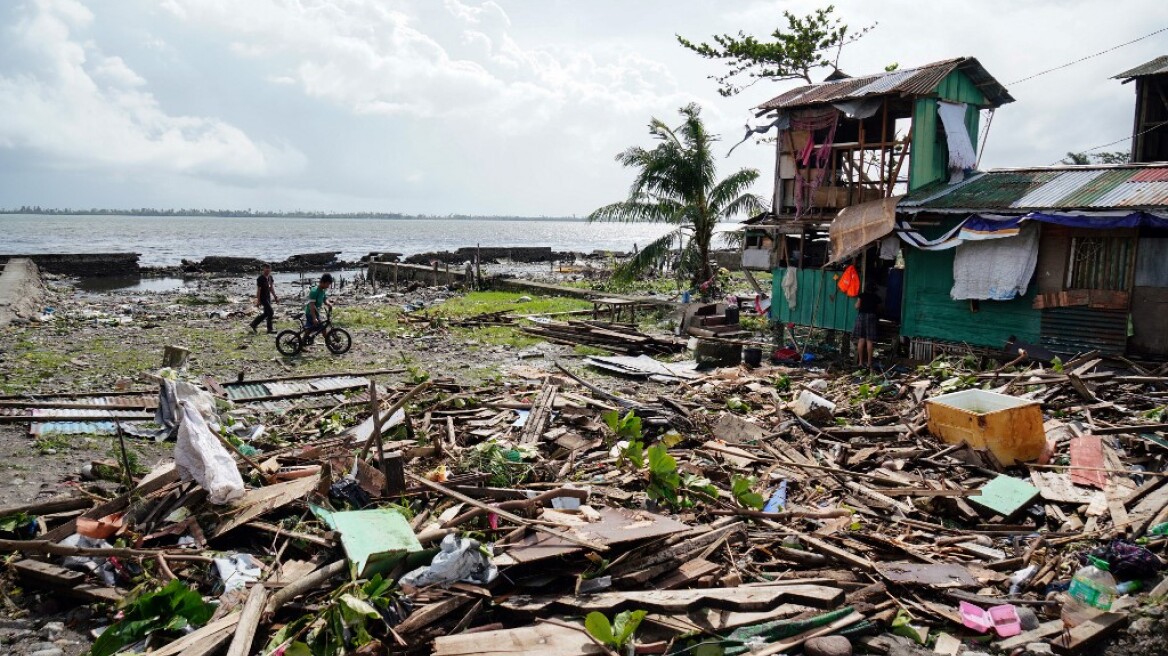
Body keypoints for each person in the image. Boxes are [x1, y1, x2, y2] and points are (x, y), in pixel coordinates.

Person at [853, 282, 882, 370]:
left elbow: (857, 306)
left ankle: (860, 362)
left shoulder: (862, 295)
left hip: (861, 316)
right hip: (871, 317)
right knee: (869, 341)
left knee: (861, 339)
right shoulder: (876, 297)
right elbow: (879, 309)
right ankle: (869, 363)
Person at [302, 273, 334, 344]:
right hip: (310, 313)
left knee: (310, 329)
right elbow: (311, 305)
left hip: (316, 312)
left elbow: (325, 300)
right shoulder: (314, 291)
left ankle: (302, 343)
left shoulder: (323, 290)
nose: (328, 286)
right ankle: (330, 344)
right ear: (323, 282)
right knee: (322, 327)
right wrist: (314, 318)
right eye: (328, 284)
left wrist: (329, 304)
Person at [249, 264, 278, 334]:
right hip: (263, 298)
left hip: (268, 297)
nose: (267, 270)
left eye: (269, 268)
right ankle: (269, 329)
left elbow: (271, 288)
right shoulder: (260, 278)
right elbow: (258, 290)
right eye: (266, 268)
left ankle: (253, 324)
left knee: (266, 313)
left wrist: (275, 297)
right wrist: (258, 301)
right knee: (271, 312)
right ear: (263, 269)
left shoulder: (270, 277)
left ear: (270, 269)